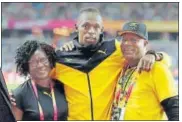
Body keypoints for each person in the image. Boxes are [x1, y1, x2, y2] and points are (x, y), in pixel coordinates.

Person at [51, 7, 169, 120]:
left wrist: (154, 55)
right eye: (85, 26)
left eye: (96, 27)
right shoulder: (61, 57)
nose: (91, 31)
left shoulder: (115, 50)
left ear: (102, 29)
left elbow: (164, 61)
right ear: (77, 28)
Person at [111, 22, 178, 120]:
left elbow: (175, 111)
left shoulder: (157, 68)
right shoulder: (123, 68)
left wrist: (155, 55)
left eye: (134, 40)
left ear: (145, 43)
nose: (127, 44)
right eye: (124, 40)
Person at [11, 40, 68, 121]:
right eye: (33, 62)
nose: (40, 65)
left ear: (50, 61)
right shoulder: (19, 95)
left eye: (43, 60)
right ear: (26, 66)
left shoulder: (63, 87)